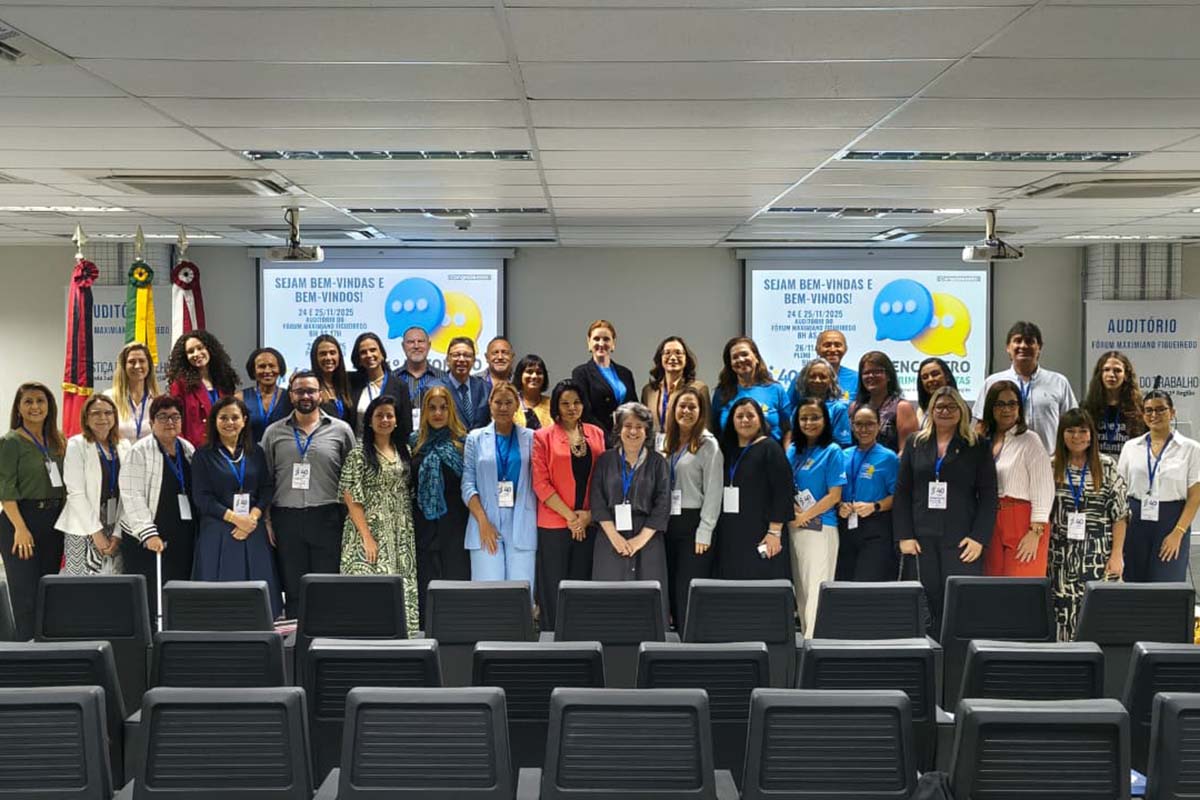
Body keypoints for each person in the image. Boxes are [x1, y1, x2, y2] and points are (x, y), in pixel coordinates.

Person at [894, 386, 997, 634]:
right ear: (930, 411)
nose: (945, 411)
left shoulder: (977, 445)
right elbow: (903, 492)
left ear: (962, 411)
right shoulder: (915, 443)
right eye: (939, 407)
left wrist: (979, 538)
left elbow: (988, 496)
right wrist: (904, 535)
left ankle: (956, 663)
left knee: (960, 604)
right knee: (925, 604)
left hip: (962, 540)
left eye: (952, 407)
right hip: (921, 538)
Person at [261, 370, 356, 618]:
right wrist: (268, 520)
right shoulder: (273, 433)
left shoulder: (341, 430)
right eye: (299, 391)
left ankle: (328, 644)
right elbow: (266, 480)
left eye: (311, 391)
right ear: (291, 395)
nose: (305, 396)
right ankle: (296, 648)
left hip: (327, 517)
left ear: (321, 395)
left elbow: (352, 478)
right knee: (293, 589)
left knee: (327, 587)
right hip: (286, 518)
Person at [191, 396, 282, 617]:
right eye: (223, 418)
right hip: (219, 529)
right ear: (214, 421)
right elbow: (202, 497)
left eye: (234, 417)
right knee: (219, 598)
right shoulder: (203, 455)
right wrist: (236, 519)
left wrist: (253, 516)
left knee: (259, 598)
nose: (229, 422)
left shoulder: (256, 452)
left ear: (244, 420)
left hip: (253, 527)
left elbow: (267, 487)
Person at [339, 395, 419, 634]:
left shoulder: (404, 450)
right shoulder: (359, 453)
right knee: (369, 583)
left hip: (401, 530)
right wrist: (366, 536)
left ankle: (402, 639)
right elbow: (350, 495)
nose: (385, 419)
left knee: (402, 583)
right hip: (368, 529)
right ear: (370, 421)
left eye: (389, 415)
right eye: (379, 415)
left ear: (396, 421)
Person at [532, 379, 606, 630]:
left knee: (582, 583)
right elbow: (541, 484)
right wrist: (571, 518)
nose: (571, 407)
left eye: (576, 402)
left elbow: (602, 479)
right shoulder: (542, 437)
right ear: (556, 406)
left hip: (588, 522)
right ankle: (552, 639)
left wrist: (588, 516)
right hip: (554, 524)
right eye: (565, 403)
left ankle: (581, 635)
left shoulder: (596, 434)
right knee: (553, 584)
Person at [1049, 409, 1127, 640]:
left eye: (1083, 431)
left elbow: (1120, 515)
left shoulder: (1106, 466)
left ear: (1091, 434)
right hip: (1060, 558)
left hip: (1098, 555)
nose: (1077, 436)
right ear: (1061, 434)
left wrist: (1117, 554)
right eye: (1070, 430)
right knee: (1062, 618)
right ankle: (1065, 670)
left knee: (1100, 617)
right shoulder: (1051, 466)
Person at [118, 395, 197, 622]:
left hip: (182, 536)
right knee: (151, 598)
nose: (170, 422)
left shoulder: (187, 448)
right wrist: (148, 533)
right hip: (149, 540)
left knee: (179, 592)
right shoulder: (139, 451)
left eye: (175, 416)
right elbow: (132, 496)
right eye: (162, 417)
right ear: (152, 422)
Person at [0, 383, 66, 639]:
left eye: (40, 401)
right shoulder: (10, 441)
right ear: (19, 407)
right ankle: (24, 653)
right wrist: (20, 528)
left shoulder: (58, 440)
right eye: (28, 401)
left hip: (54, 522)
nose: (35, 406)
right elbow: (5, 489)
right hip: (20, 522)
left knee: (48, 590)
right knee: (25, 594)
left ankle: (45, 648)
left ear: (50, 406)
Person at [462, 383, 537, 596]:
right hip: (485, 521)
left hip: (521, 519)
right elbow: (467, 484)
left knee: (520, 593)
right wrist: (483, 522)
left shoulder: (531, 437)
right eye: (498, 402)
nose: (503, 407)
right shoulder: (475, 438)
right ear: (490, 404)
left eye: (508, 403)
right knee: (488, 593)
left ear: (517, 406)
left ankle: (520, 631)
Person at [1117, 390, 1200, 583]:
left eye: (1161, 410)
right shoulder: (1130, 447)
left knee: (1166, 584)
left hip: (1172, 521)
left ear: (1172, 412)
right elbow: (1120, 491)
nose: (1154, 415)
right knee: (1133, 583)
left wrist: (1178, 533)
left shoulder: (1191, 449)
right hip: (1135, 520)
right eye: (1148, 410)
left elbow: (1195, 496)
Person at [590, 403, 670, 601]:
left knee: (647, 598)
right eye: (628, 425)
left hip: (648, 539)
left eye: (639, 426)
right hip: (610, 537)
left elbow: (663, 504)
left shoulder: (658, 462)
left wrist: (639, 541)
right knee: (609, 598)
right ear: (618, 429)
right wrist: (615, 537)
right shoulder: (604, 460)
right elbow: (597, 500)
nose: (633, 431)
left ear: (647, 431)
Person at [980, 381, 1055, 578]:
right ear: (990, 408)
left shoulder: (1030, 440)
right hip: (990, 520)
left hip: (1023, 521)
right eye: (1000, 404)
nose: (1007, 410)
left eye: (1012, 404)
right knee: (992, 586)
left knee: (1021, 588)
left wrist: (1036, 530)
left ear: (1020, 408)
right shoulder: (983, 442)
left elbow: (1044, 487)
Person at [410, 385, 471, 625]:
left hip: (455, 528)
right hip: (424, 528)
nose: (437, 413)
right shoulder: (414, 444)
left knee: (456, 588)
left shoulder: (463, 444)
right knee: (427, 590)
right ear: (424, 411)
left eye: (443, 408)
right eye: (432, 408)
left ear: (451, 410)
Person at [663, 386, 722, 631]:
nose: (686, 411)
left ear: (700, 412)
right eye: (682, 406)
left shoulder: (708, 445)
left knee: (686, 586)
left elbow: (714, 490)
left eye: (692, 407)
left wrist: (705, 530)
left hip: (694, 524)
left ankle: (690, 643)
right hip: (666, 523)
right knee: (669, 583)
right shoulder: (666, 442)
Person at [714, 397, 793, 581]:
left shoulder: (770, 448)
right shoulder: (726, 451)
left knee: (760, 584)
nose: (745, 420)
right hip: (731, 532)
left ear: (760, 419)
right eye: (739, 416)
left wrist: (775, 532)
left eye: (750, 415)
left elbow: (783, 492)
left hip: (762, 532)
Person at [786, 398, 846, 637]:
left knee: (817, 589)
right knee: (800, 590)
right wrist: (794, 513)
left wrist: (805, 516)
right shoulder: (793, 450)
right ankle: (805, 641)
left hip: (821, 529)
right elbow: (786, 484)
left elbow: (834, 496)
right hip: (795, 526)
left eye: (815, 417)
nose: (809, 422)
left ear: (825, 420)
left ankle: (814, 644)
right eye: (804, 418)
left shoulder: (833, 451)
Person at [973, 321, 1077, 452]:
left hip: (1049, 461)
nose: (1023, 345)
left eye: (1029, 341)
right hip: (1003, 462)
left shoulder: (1059, 382)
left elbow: (1072, 425)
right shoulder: (993, 382)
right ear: (1008, 347)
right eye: (1017, 341)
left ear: (1039, 347)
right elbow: (981, 426)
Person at [57, 394, 123, 575]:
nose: (103, 418)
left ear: (115, 417)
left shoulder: (123, 446)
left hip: (114, 526)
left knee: (112, 587)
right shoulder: (76, 444)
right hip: (83, 528)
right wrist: (96, 533)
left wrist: (118, 533)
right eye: (96, 413)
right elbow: (75, 493)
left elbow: (128, 494)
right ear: (86, 418)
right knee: (80, 592)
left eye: (108, 413)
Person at [837, 405, 900, 582]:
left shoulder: (889, 458)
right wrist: (839, 505)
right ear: (851, 425)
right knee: (844, 581)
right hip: (846, 525)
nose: (864, 429)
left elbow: (898, 496)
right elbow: (834, 490)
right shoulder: (843, 455)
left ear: (879, 425)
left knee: (867, 582)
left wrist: (875, 506)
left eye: (870, 424)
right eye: (859, 424)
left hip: (876, 527)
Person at [710, 337, 792, 442]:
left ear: (756, 357)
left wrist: (786, 456)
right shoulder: (722, 392)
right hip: (733, 456)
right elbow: (715, 430)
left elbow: (788, 429)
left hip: (770, 455)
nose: (741, 359)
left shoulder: (775, 389)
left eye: (745, 354)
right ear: (730, 364)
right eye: (735, 357)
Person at [166, 330, 237, 448]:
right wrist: (183, 450)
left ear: (209, 349)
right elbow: (175, 420)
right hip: (195, 450)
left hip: (225, 447)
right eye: (190, 352)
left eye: (200, 348)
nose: (196, 354)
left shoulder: (224, 379)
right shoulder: (180, 384)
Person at [640, 335, 711, 450]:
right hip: (655, 453)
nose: (673, 357)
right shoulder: (648, 391)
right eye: (667, 353)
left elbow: (705, 426)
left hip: (686, 452)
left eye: (678, 353)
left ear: (686, 358)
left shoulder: (698, 388)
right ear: (660, 358)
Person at [571, 319, 637, 442]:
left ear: (613, 343)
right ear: (589, 342)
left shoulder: (626, 373)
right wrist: (608, 438)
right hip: (598, 439)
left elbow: (634, 407)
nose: (601, 343)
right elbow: (585, 412)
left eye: (606, 339)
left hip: (627, 438)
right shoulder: (580, 373)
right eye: (596, 339)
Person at [348, 332, 413, 441]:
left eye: (373, 350)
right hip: (357, 449)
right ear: (358, 359)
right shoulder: (351, 382)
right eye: (363, 352)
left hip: (388, 451)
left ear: (382, 354)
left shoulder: (399, 386)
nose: (369, 355)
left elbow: (406, 427)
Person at [850, 351, 917, 453]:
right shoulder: (854, 407)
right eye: (866, 373)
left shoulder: (902, 407)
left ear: (889, 376)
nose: (871, 376)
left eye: (877, 372)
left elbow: (907, 451)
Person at [1082, 351, 1145, 458]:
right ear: (1100, 374)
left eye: (1117, 370)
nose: (1111, 375)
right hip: (1095, 469)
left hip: (1128, 470)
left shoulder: (1139, 409)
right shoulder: (1087, 408)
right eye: (1106, 370)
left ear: (1126, 375)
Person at [106, 341, 160, 450]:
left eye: (142, 361)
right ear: (124, 366)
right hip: (119, 462)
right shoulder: (109, 399)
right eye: (131, 361)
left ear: (149, 365)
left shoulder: (158, 400)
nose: (137, 365)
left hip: (150, 462)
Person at [789, 357, 851, 447]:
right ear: (805, 380)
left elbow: (843, 446)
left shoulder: (838, 409)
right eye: (812, 376)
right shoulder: (798, 409)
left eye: (823, 377)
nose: (817, 380)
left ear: (831, 380)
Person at [241, 347, 292, 444]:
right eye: (262, 366)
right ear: (253, 371)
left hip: (281, 454)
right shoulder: (240, 398)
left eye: (272, 366)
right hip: (250, 456)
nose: (267, 371)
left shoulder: (290, 398)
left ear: (280, 369)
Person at [397, 326, 446, 426]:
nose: (416, 346)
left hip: (434, 438)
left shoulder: (444, 378)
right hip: (399, 438)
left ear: (429, 345)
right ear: (403, 346)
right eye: (410, 342)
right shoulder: (391, 378)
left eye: (421, 341)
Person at [440, 336, 491, 431]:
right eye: (456, 355)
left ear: (474, 360)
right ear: (447, 360)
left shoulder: (485, 388)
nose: (462, 359)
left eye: (467, 355)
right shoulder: (434, 388)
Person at [311, 334, 353, 428]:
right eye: (323, 354)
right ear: (315, 358)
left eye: (332, 353)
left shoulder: (348, 382)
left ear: (339, 356)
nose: (328, 358)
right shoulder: (309, 386)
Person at [513, 354, 553, 430]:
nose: (534, 376)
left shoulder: (552, 404)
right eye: (529, 372)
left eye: (539, 372)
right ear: (520, 375)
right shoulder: (511, 404)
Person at [816, 329, 857, 401]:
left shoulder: (856, 379)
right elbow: (789, 408)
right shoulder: (803, 378)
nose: (832, 349)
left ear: (845, 349)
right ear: (817, 349)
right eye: (827, 345)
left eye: (838, 345)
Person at [916, 357, 958, 426]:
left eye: (935, 374)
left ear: (947, 376)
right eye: (925, 377)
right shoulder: (921, 410)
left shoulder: (958, 407)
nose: (930, 379)